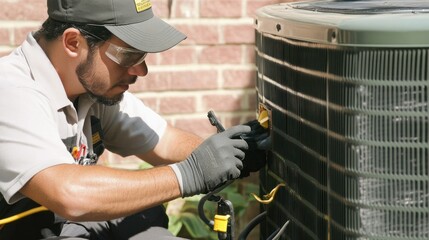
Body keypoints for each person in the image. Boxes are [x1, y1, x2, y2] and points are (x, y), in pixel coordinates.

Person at [0, 0, 268, 239]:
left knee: (145, 220)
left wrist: (232, 153)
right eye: (129, 55)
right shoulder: (11, 91)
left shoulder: (90, 89)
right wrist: (190, 174)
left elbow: (164, 142)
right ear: (73, 43)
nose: (141, 70)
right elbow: (69, 193)